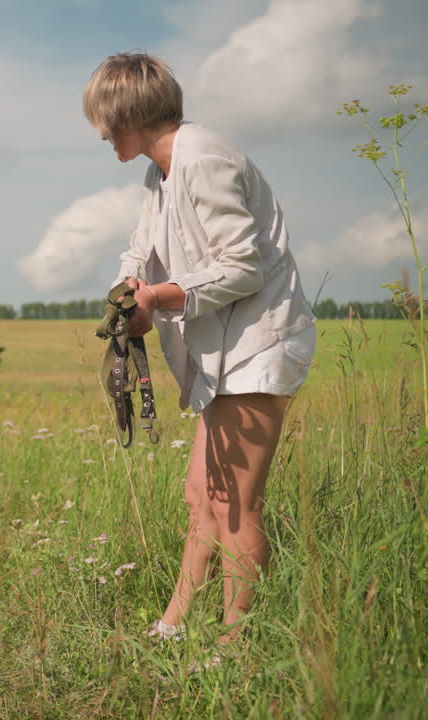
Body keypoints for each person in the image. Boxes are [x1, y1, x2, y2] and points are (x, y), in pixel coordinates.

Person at [82, 52, 317, 656]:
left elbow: (243, 266)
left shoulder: (204, 158)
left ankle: (233, 646)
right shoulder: (158, 174)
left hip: (259, 340)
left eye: (105, 121)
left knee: (235, 503)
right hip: (225, 348)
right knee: (201, 495)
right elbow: (142, 251)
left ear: (127, 113)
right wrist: (130, 288)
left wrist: (159, 298)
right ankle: (176, 622)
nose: (102, 134)